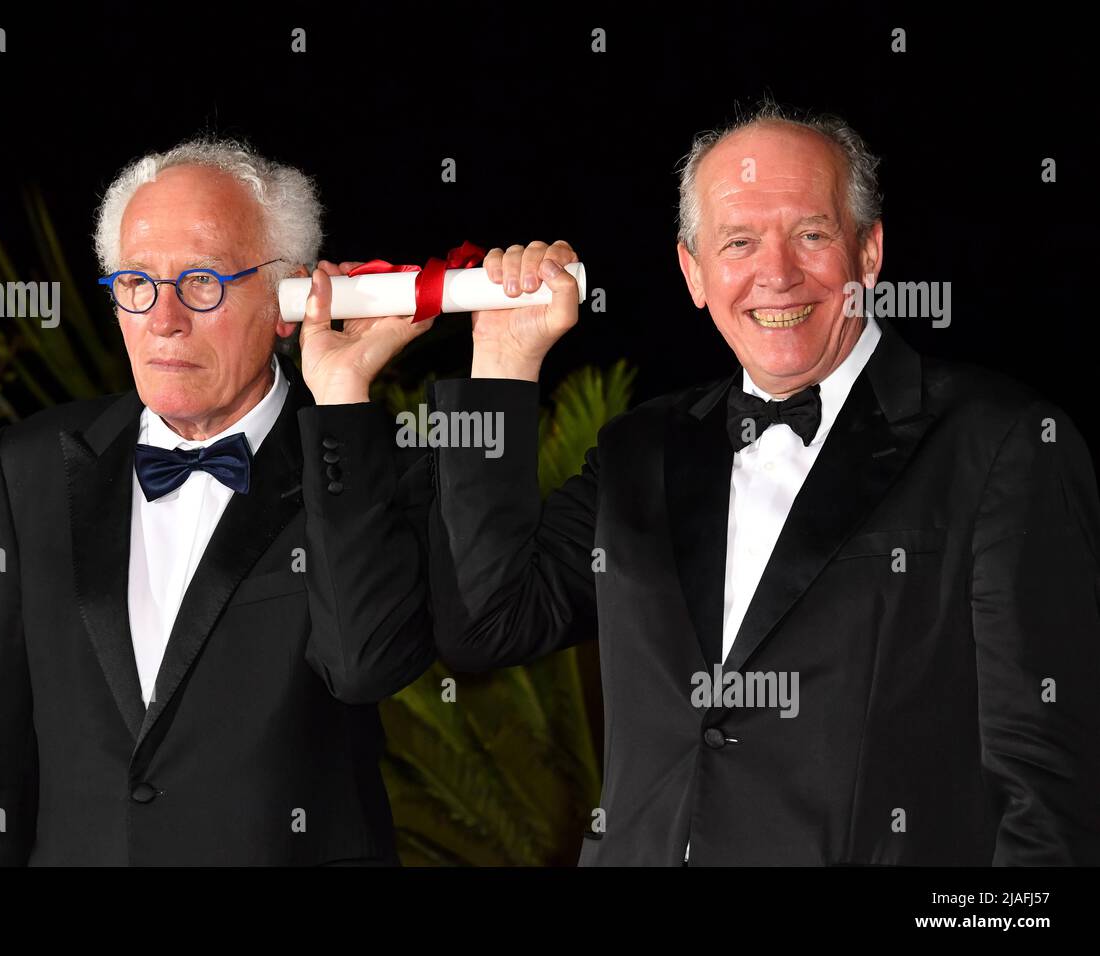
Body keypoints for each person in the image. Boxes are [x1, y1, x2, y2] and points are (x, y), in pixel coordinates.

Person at [420, 104, 1100, 865]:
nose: (776, 275)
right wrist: (506, 364)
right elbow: (487, 628)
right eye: (739, 242)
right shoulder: (640, 448)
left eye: (811, 235)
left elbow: (1044, 792)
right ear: (694, 273)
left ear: (868, 253)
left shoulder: (1002, 443)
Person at [0, 138, 437, 865]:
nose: (163, 319)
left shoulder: (368, 466)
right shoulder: (30, 465)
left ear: (287, 300)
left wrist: (342, 395)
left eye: (202, 282)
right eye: (136, 282)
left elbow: (363, 666)